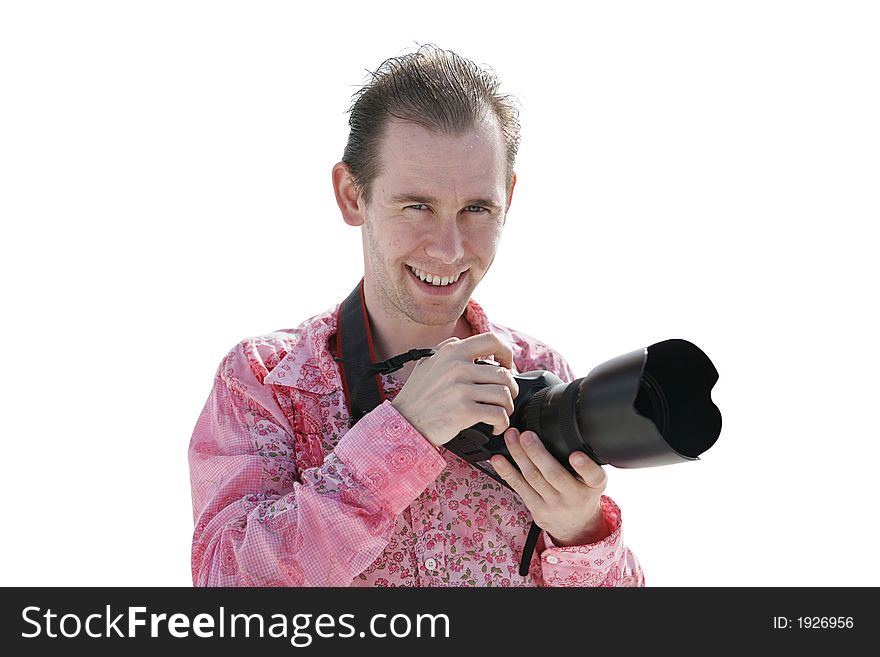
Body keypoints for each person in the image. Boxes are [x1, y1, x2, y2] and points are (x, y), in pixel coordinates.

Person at [188, 45, 645, 587]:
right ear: (352, 195)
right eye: (417, 206)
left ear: (509, 198)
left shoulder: (542, 372)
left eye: (477, 208)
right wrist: (402, 435)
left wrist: (580, 534)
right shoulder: (265, 379)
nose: (449, 249)